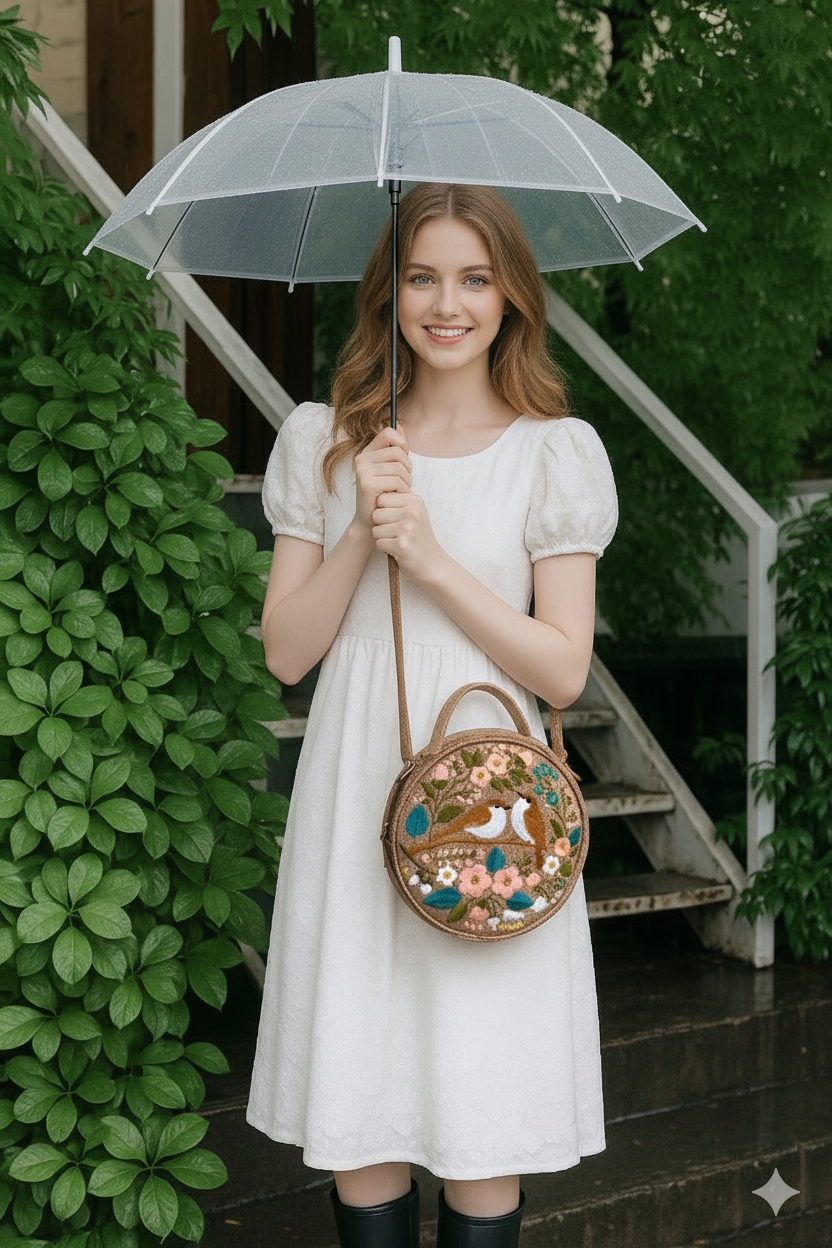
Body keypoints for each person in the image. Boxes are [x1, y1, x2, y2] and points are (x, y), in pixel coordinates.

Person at [246, 182, 618, 1248]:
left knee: (479, 1117)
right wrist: (365, 522)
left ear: (510, 298)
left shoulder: (554, 452)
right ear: (388, 292)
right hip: (355, 793)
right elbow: (285, 652)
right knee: (361, 1108)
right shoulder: (324, 438)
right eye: (420, 276)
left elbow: (561, 671)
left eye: (472, 277)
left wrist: (435, 561)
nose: (444, 303)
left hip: (487, 815)